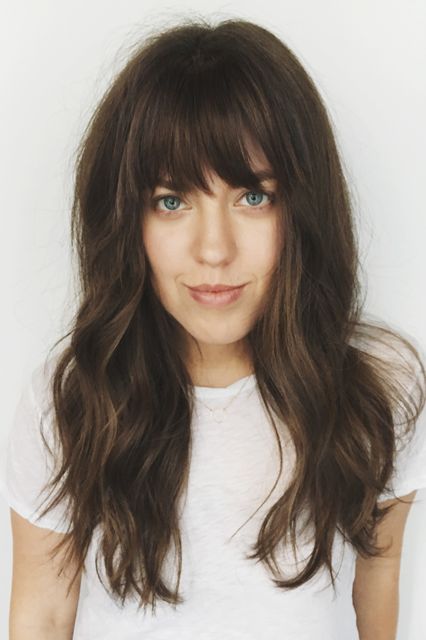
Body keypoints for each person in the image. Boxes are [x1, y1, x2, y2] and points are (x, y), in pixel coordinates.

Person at [1, 16, 426, 640]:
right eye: (172, 201)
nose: (215, 250)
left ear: (302, 208)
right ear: (127, 220)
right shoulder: (71, 399)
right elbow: (41, 613)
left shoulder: (380, 386)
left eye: (253, 196)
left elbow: (379, 575)